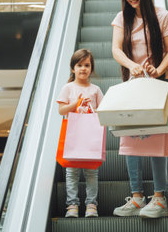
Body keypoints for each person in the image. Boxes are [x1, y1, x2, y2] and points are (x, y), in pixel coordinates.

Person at [111, 0, 168, 218]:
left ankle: (160, 198)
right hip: (133, 83)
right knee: (129, 139)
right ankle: (137, 197)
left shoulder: (163, 16)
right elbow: (116, 49)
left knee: (157, 139)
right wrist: (132, 66)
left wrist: (158, 71)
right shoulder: (121, 19)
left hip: (160, 83)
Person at [57, 49, 104, 218]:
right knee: (72, 171)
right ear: (72, 68)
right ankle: (72, 205)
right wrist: (76, 103)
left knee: (92, 172)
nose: (83, 68)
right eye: (79, 65)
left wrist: (93, 110)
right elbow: (61, 110)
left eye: (87, 65)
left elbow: (102, 110)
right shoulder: (68, 88)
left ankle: (92, 204)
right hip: (73, 135)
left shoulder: (95, 89)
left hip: (90, 136)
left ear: (91, 68)